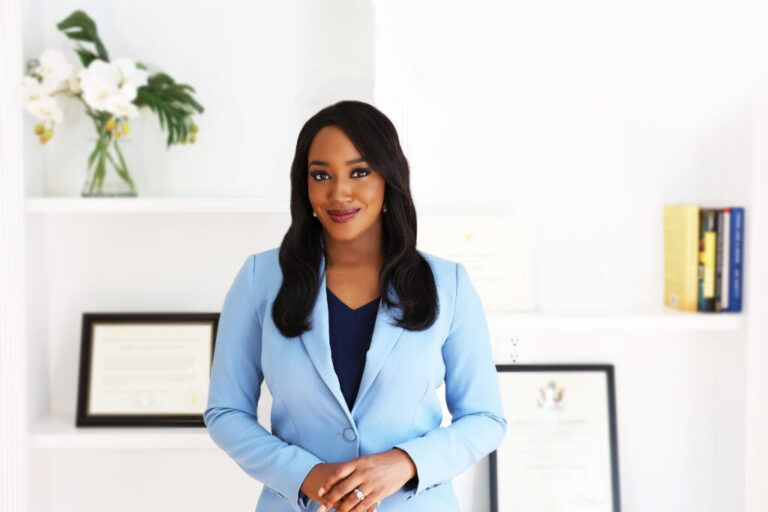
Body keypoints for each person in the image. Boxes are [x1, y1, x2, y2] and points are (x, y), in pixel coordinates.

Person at [204, 100, 507, 512]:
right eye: (321, 175)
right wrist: (305, 474)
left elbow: (485, 418)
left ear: (389, 178)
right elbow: (225, 412)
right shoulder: (260, 279)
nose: (339, 192)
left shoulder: (448, 284)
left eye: (359, 172)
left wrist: (405, 463)